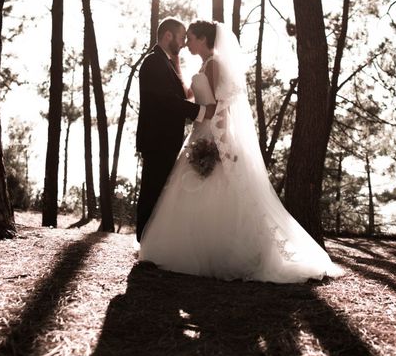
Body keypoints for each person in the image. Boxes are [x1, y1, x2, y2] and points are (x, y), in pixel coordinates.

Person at [139, 20, 343, 283]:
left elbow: (221, 108)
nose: (186, 42)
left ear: (202, 39)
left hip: (209, 136)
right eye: (183, 38)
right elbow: (186, 97)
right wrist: (180, 69)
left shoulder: (214, 64)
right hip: (197, 134)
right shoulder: (201, 64)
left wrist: (219, 142)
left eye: (189, 37)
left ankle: (213, 251)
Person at [135, 18, 215, 242]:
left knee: (159, 191)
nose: (182, 44)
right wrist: (201, 112)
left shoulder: (165, 62)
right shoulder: (154, 62)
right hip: (157, 139)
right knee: (152, 190)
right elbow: (167, 101)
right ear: (168, 36)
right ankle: (145, 242)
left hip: (165, 139)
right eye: (181, 38)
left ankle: (151, 241)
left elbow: (179, 95)